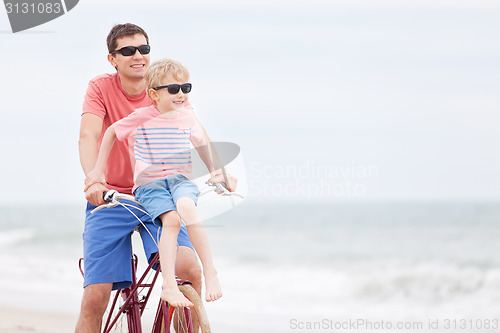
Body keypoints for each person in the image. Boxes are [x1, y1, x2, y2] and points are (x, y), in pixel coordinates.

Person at [76, 23, 203, 332]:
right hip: (111, 198)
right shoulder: (100, 88)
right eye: (128, 51)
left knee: (191, 271)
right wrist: (95, 181)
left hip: (157, 195)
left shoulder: (165, 87)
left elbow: (194, 132)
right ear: (112, 59)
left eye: (144, 49)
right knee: (95, 298)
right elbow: (89, 135)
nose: (138, 56)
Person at [85, 58, 235, 307]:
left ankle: (211, 272)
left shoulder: (187, 116)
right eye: (174, 89)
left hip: (180, 179)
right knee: (172, 220)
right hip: (149, 184)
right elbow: (110, 132)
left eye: (186, 88)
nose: (181, 94)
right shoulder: (141, 116)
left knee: (187, 207)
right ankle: (168, 286)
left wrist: (217, 171)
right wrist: (98, 171)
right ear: (153, 94)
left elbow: (202, 144)